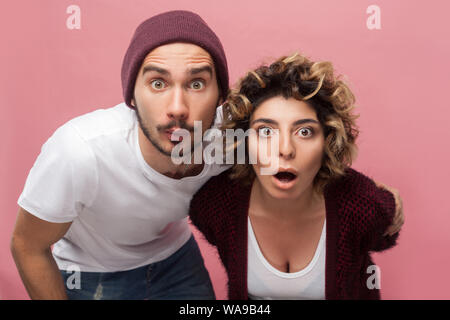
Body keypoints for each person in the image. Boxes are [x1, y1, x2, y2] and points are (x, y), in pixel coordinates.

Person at [10, 10, 231, 300]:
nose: (178, 107)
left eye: (197, 84)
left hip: (177, 260)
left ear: (220, 98)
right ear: (131, 97)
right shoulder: (80, 151)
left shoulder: (234, 141)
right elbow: (27, 246)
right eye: (158, 83)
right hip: (91, 272)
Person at [189, 52, 403, 300]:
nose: (286, 150)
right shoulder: (215, 205)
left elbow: (385, 227)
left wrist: (390, 203)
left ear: (327, 141)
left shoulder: (364, 206)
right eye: (266, 131)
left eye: (304, 131)